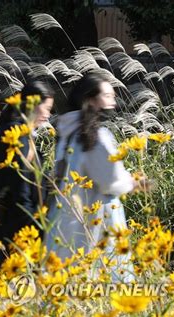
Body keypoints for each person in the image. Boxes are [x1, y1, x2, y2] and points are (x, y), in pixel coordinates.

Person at [44, 73, 147, 282]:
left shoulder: (66, 133)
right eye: (108, 96)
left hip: (65, 216)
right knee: (104, 281)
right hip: (98, 216)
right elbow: (109, 181)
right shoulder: (95, 136)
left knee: (68, 281)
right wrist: (133, 183)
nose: (113, 102)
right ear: (90, 100)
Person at [0, 81, 54, 268]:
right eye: (46, 109)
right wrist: (36, 224)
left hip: (14, 220)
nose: (48, 116)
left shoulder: (19, 132)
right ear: (32, 106)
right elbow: (19, 186)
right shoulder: (16, 134)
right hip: (15, 225)